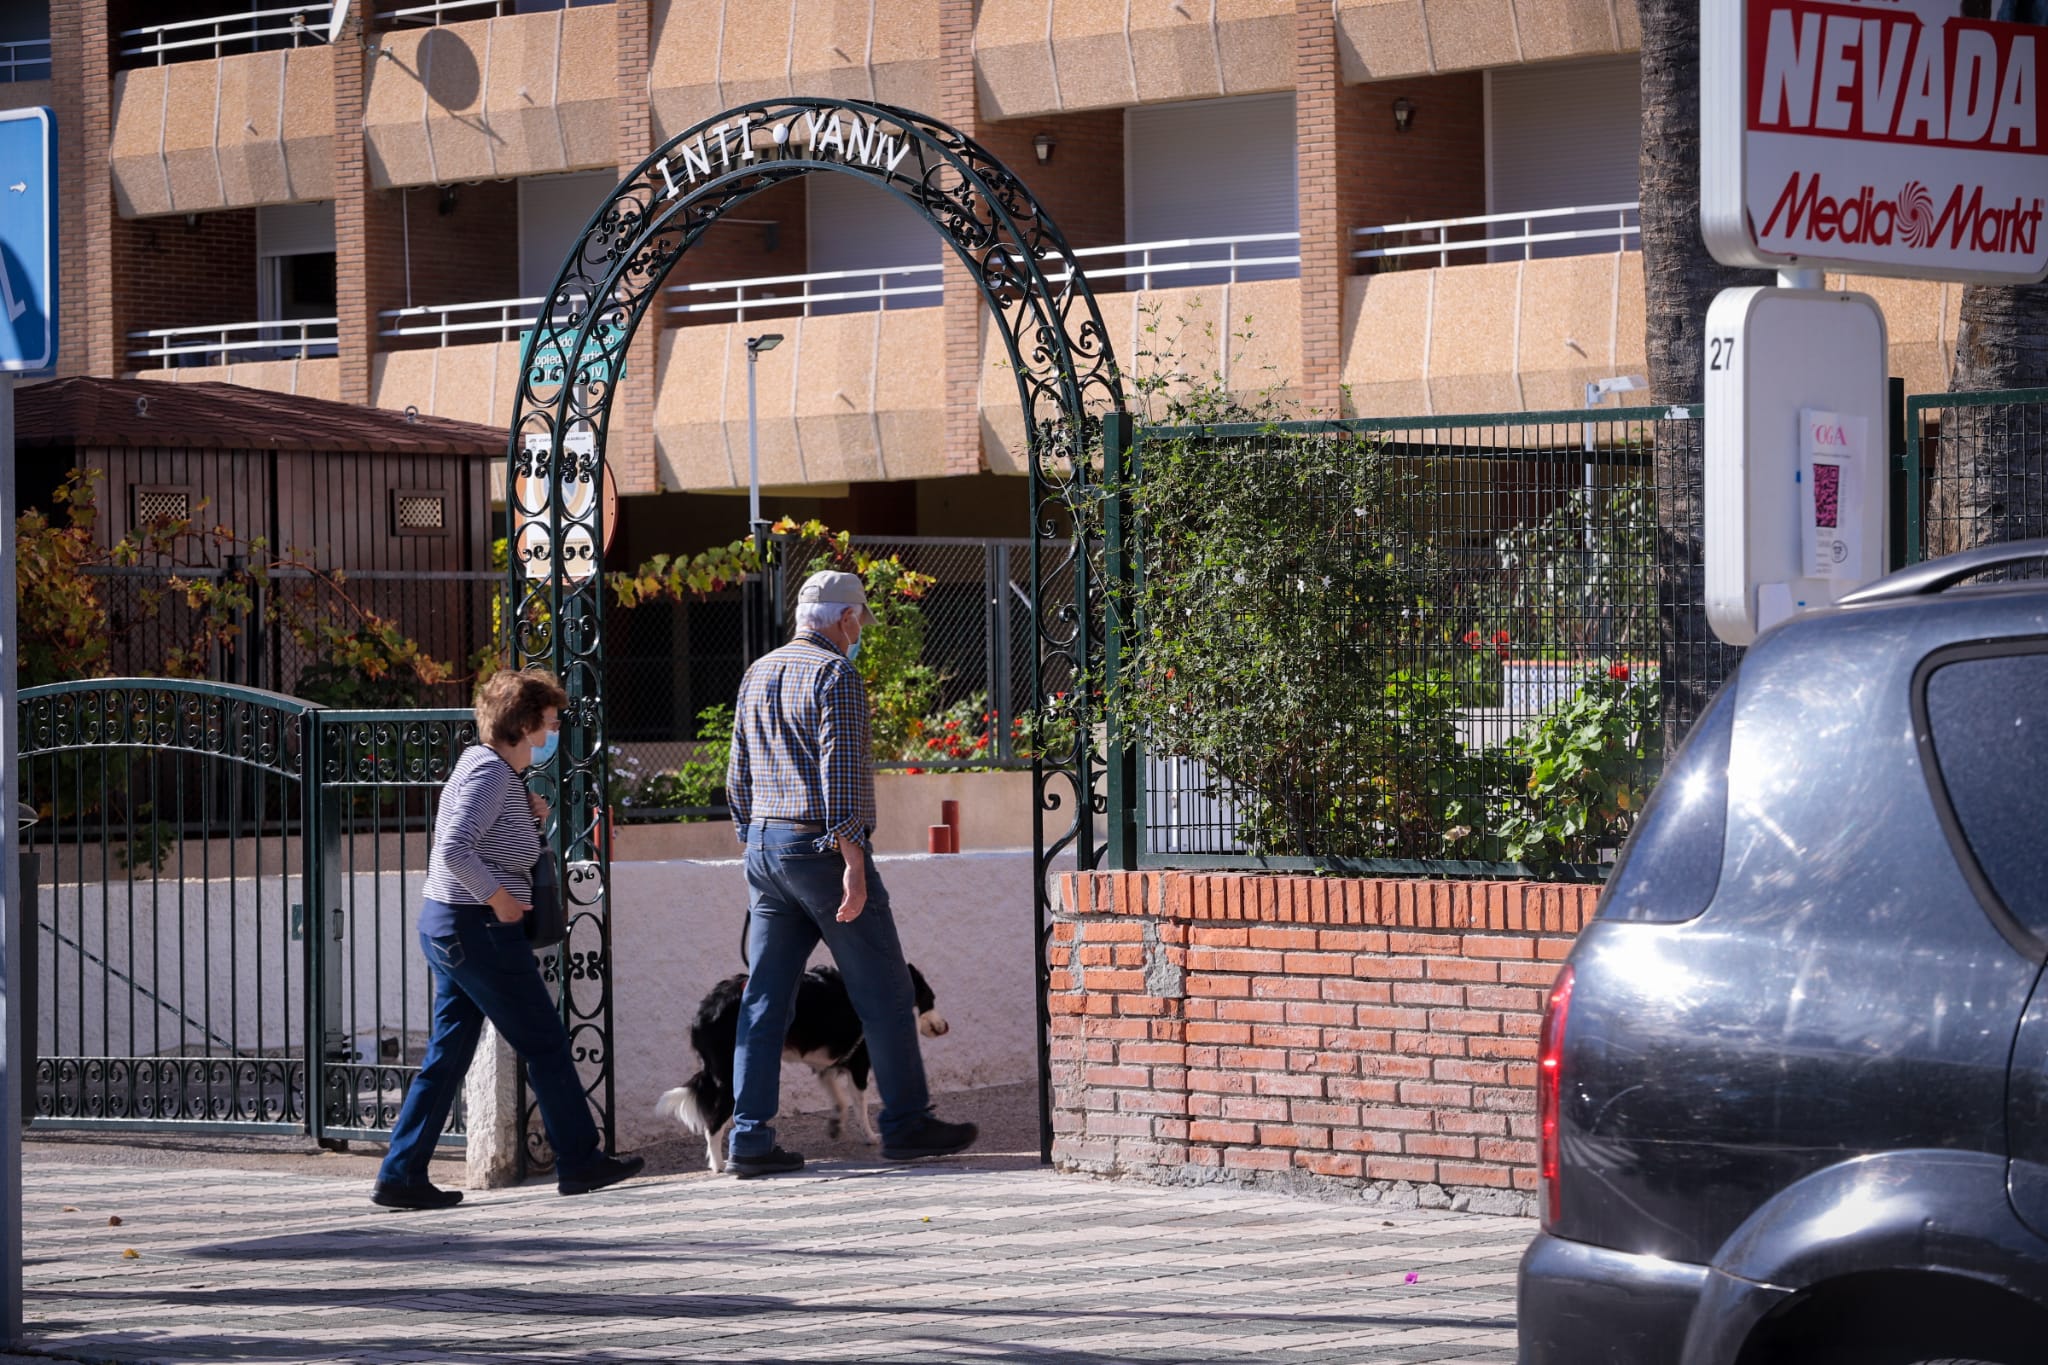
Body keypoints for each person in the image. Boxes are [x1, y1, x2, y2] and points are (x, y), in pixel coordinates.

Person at [722, 569, 978, 1177]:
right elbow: (841, 775)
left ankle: (750, 1139)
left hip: (765, 845)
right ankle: (907, 1122)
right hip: (821, 849)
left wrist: (755, 842)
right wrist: (854, 862)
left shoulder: (757, 671)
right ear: (842, 619)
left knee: (763, 1000)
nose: (860, 630)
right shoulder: (836, 674)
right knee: (887, 992)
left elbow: (737, 777)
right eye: (859, 619)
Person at [372, 667, 645, 1209]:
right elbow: (453, 848)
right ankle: (580, 1161)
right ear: (520, 723)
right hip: (479, 929)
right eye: (545, 724)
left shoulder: (488, 770)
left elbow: (485, 841)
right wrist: (498, 897)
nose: (549, 736)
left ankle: (401, 1173)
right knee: (544, 1042)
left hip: (453, 926)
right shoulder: (489, 775)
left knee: (448, 1054)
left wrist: (528, 818)